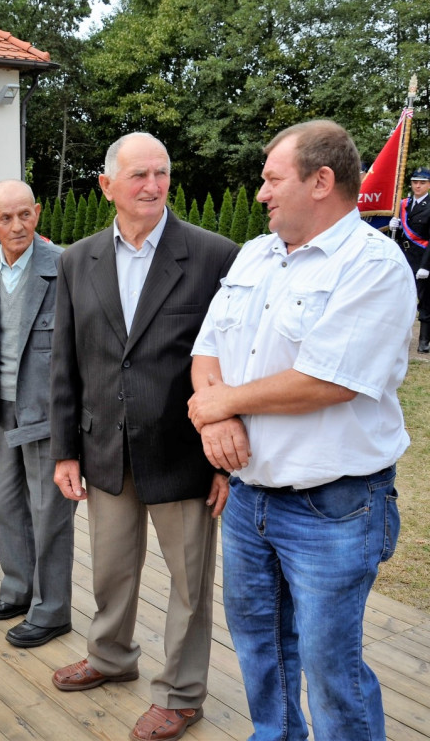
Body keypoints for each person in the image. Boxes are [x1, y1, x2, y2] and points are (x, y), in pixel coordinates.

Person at [189, 119, 413, 741]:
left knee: (329, 666)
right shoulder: (256, 253)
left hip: (333, 506)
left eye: (270, 178)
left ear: (321, 181)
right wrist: (220, 413)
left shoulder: (373, 264)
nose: (260, 192)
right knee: (262, 652)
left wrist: (219, 403)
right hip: (249, 498)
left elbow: (329, 380)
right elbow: (207, 350)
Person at [50, 132, 238, 741]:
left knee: (188, 583)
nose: (153, 185)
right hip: (104, 445)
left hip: (183, 453)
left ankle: (181, 694)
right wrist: (65, 450)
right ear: (106, 185)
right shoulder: (77, 260)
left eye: (161, 172)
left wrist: (225, 461)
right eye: (138, 175)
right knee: (110, 569)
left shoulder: (213, 256)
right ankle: (110, 657)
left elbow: (235, 364)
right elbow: (66, 363)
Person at [0, 179, 71, 648]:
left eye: (25, 214)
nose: (17, 226)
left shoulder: (63, 267)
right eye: (5, 218)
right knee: (6, 506)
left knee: (49, 513)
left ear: (38, 213)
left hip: (48, 412)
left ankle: (51, 611)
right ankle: (17, 590)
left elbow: (82, 350)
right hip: (1, 410)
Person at [390, 167, 430, 351]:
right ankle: (398, 337)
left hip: (423, 258)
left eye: (422, 182)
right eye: (415, 182)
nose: (418, 186)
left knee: (425, 300)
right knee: (399, 299)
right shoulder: (403, 204)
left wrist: (426, 266)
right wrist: (393, 228)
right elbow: (398, 236)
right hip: (403, 257)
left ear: (428, 184)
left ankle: (423, 342)